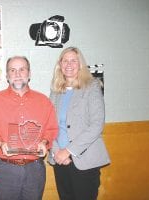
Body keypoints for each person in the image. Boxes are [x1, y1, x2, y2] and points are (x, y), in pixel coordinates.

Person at [0, 56, 58, 200]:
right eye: (12, 70)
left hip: (35, 169)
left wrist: (44, 142)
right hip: (5, 169)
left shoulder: (44, 101)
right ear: (7, 75)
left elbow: (51, 129)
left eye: (22, 69)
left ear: (29, 74)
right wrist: (0, 143)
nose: (17, 74)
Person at [48, 46, 110, 200]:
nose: (69, 64)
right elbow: (50, 125)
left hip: (84, 160)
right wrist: (57, 152)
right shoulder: (55, 91)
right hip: (60, 161)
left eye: (73, 60)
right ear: (60, 65)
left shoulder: (92, 86)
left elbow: (96, 125)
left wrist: (68, 151)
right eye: (65, 61)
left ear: (80, 64)